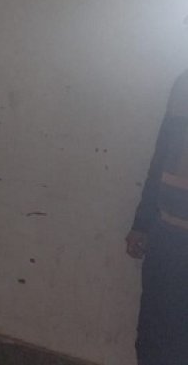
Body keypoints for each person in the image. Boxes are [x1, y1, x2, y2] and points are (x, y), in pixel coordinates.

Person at [126, 69, 188, 365]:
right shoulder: (185, 85)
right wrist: (142, 224)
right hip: (167, 236)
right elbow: (161, 158)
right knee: (153, 335)